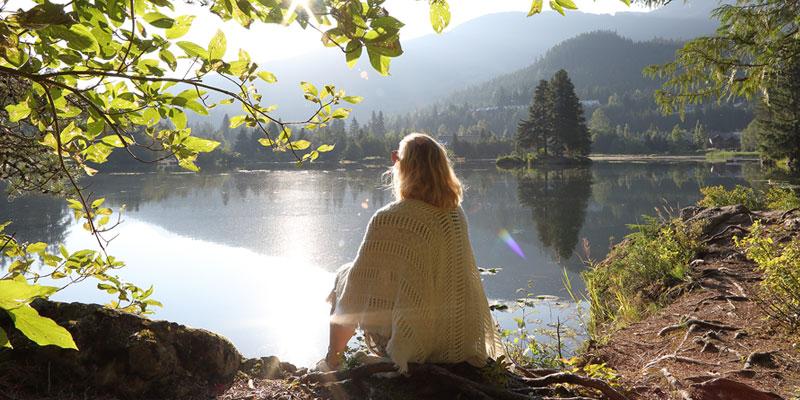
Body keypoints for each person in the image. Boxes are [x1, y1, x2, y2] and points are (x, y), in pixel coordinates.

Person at [322, 132, 498, 373]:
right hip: (458, 341)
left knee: (345, 277)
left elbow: (355, 291)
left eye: (397, 157)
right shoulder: (455, 215)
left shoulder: (389, 219)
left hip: (413, 348)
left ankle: (333, 361)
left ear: (405, 167)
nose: (394, 162)